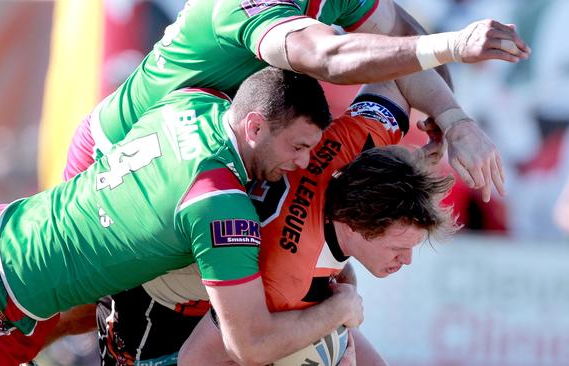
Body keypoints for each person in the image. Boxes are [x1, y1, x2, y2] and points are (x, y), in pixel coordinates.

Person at [0, 68, 364, 365]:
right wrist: (339, 310)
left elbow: (98, 126)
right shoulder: (218, 203)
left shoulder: (192, 101)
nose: (303, 161)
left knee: (74, 313)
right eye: (297, 146)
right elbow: (250, 345)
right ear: (254, 127)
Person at [94, 69, 460, 365]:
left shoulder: (361, 140)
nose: (408, 260)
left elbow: (403, 70)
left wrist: (451, 122)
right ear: (356, 224)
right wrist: (338, 309)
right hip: (148, 333)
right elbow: (198, 359)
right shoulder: (283, 278)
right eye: (399, 247)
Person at [64, 0, 531, 202]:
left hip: (202, 161)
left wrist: (453, 119)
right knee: (72, 315)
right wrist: (456, 45)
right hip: (119, 155)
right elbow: (326, 55)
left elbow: (403, 34)